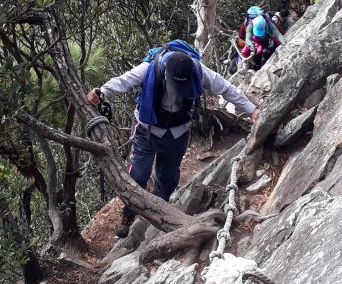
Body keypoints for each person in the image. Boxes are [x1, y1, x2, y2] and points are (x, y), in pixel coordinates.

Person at [86, 45, 259, 237]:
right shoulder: (151, 69)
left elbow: (225, 88)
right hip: (146, 131)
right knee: (138, 175)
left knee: (168, 178)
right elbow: (123, 81)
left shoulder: (198, 70)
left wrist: (251, 109)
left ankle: (157, 218)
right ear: (167, 75)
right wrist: (101, 92)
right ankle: (128, 214)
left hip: (178, 133)